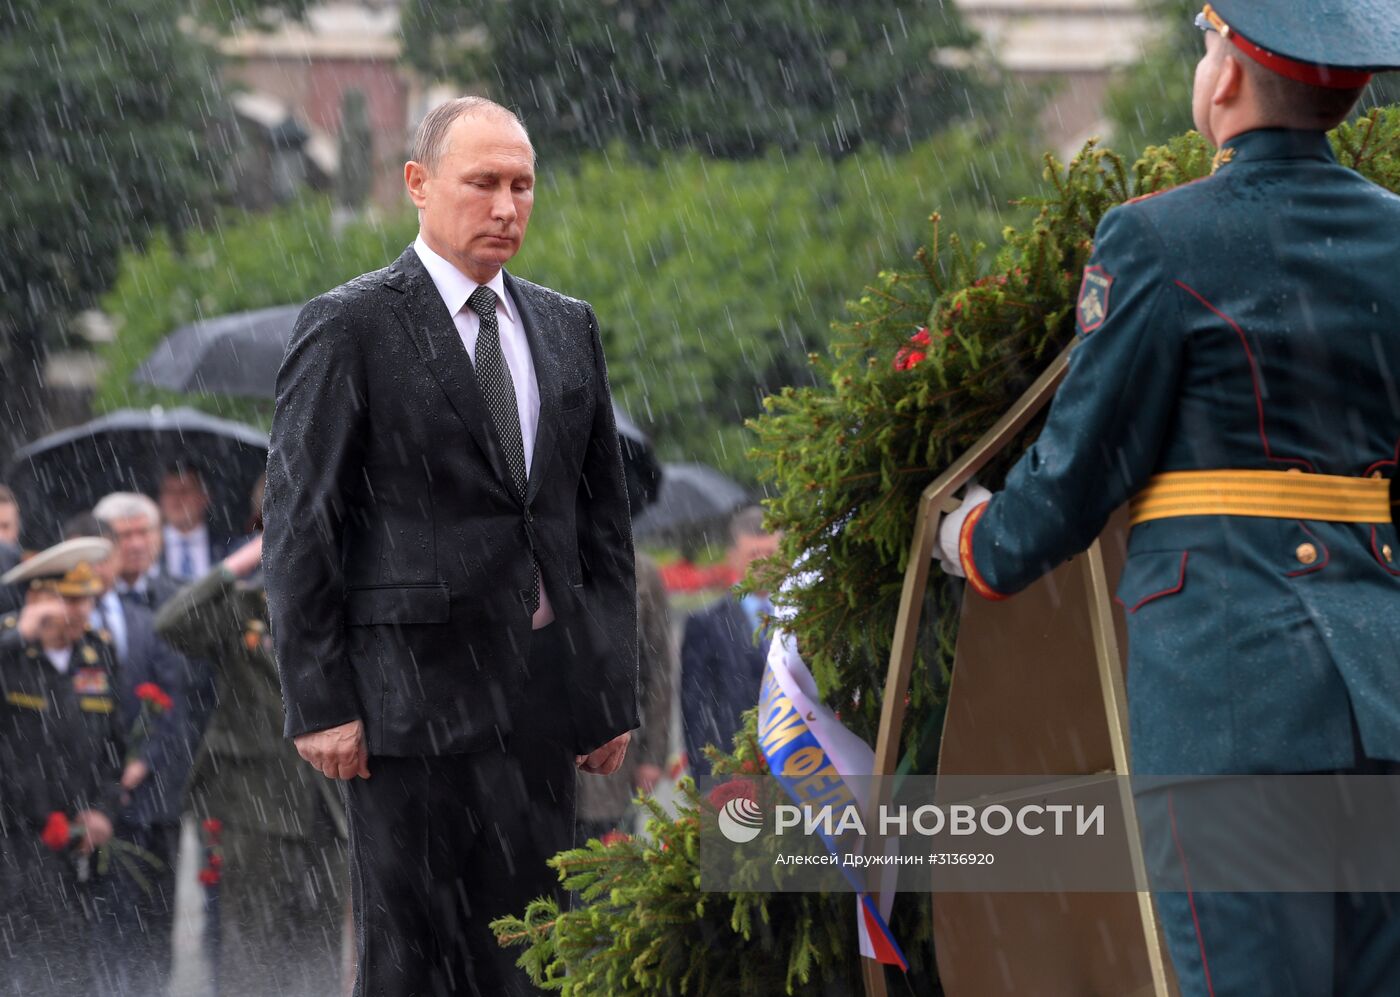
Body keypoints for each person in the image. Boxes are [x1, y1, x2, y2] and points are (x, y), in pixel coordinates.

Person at [935, 4, 1400, 993]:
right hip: (1381, 691)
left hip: (1231, 692)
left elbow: (1077, 470)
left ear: (1223, 78)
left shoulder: (1156, 238)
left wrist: (975, 537)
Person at [263, 96, 639, 996]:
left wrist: (607, 692)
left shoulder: (565, 325)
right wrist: (318, 699)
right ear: (419, 185)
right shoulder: (349, 324)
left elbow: (601, 530)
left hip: (538, 707)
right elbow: (300, 521)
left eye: (522, 185)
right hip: (405, 710)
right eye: (484, 183)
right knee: (409, 965)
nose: (507, 206)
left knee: (534, 961)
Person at [157, 521, 349, 997]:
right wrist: (243, 561)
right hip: (257, 809)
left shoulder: (348, 603)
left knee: (321, 950)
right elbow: (172, 623)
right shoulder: (244, 607)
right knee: (253, 953)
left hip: (332, 809)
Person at [63, 512, 191, 994]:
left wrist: (141, 762)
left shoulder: (146, 621)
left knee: (153, 930)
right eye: (85, 561)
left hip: (148, 802)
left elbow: (172, 699)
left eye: (104, 557)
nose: (98, 570)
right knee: (95, 935)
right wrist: (94, 786)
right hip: (84, 806)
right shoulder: (61, 627)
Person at [0, 538, 125, 993]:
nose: (83, 610)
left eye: (88, 598)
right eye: (72, 598)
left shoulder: (99, 652)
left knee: (71, 969)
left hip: (76, 842)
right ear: (38, 598)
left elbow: (115, 746)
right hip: (12, 841)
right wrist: (17, 636)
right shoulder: (8, 649)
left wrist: (104, 812)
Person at [575, 550, 675, 842]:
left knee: (608, 872)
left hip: (610, 771)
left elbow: (658, 672)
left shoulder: (639, 571)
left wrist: (654, 756)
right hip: (539, 776)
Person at [681, 506, 782, 780]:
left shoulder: (805, 617)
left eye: (770, 554)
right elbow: (695, 709)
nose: (762, 564)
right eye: (753, 555)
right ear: (733, 558)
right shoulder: (706, 623)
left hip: (800, 767)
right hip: (734, 768)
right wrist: (707, 779)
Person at [158, 463, 232, 582]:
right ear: (161, 498)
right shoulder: (148, 549)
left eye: (185, 490)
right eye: (169, 491)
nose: (176, 498)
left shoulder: (230, 546)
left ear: (205, 497)